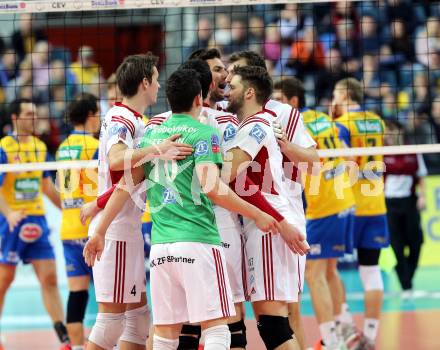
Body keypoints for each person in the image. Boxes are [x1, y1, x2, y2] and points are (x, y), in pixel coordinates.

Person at [84, 68, 280, 350]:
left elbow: (124, 186)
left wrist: (100, 230)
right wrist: (258, 213)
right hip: (199, 242)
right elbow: (212, 187)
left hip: (162, 249)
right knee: (217, 331)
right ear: (200, 99)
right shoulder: (205, 133)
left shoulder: (153, 137)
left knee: (164, 336)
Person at [82, 53, 193, 350]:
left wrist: (98, 201)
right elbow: (116, 158)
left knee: (139, 320)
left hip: (126, 226)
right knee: (110, 324)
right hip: (116, 229)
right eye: (156, 79)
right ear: (145, 82)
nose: (159, 86)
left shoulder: (134, 119)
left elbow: (129, 177)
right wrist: (158, 149)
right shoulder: (121, 119)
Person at [226, 50, 318, 350]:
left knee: (277, 321)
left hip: (274, 219)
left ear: (251, 85)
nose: (227, 83)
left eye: (234, 78)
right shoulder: (248, 119)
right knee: (275, 320)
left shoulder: (268, 120)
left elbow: (228, 174)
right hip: (268, 218)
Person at [273, 78, 357, 350]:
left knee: (313, 273)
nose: (273, 106)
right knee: (330, 271)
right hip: (344, 196)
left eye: (278, 99)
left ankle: (330, 342)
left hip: (324, 203)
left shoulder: (295, 123)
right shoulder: (324, 117)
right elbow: (349, 157)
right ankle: (345, 332)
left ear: (293, 101)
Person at [0, 98, 70, 350]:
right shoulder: (4, 148)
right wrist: (8, 214)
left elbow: (45, 186)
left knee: (49, 277)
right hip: (10, 222)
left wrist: (69, 210)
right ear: (16, 118)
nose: (34, 116)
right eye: (29, 113)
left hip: (37, 219)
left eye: (34, 112)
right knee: (4, 280)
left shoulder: (40, 147)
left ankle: (63, 337)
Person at [332, 78, 389, 350]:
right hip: (376, 203)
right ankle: (369, 336)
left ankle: (344, 331)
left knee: (328, 271)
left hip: (349, 205)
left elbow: (346, 163)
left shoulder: (342, 124)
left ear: (344, 94)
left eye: (335, 94)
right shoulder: (377, 121)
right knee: (371, 271)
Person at [55, 93, 101, 350]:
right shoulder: (94, 147)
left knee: (77, 294)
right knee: (110, 295)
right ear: (91, 115)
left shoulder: (62, 147)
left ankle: (77, 347)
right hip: (93, 228)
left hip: (69, 227)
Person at [384, 120, 426, 296]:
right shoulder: (380, 152)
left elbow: (421, 174)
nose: (389, 135)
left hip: (409, 201)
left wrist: (423, 196)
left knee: (416, 242)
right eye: (386, 132)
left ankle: (403, 271)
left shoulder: (412, 150)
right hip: (389, 203)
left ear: (400, 131)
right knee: (396, 244)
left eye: (392, 131)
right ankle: (406, 285)